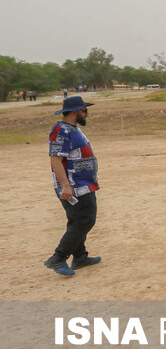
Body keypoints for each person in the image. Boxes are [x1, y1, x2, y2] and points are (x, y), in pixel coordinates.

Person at [45, 95, 101, 276]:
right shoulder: (61, 131)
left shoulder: (72, 129)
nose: (87, 114)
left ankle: (80, 256)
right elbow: (55, 160)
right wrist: (66, 186)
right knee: (85, 220)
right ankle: (58, 258)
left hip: (84, 184)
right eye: (84, 111)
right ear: (76, 112)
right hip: (75, 187)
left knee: (77, 221)